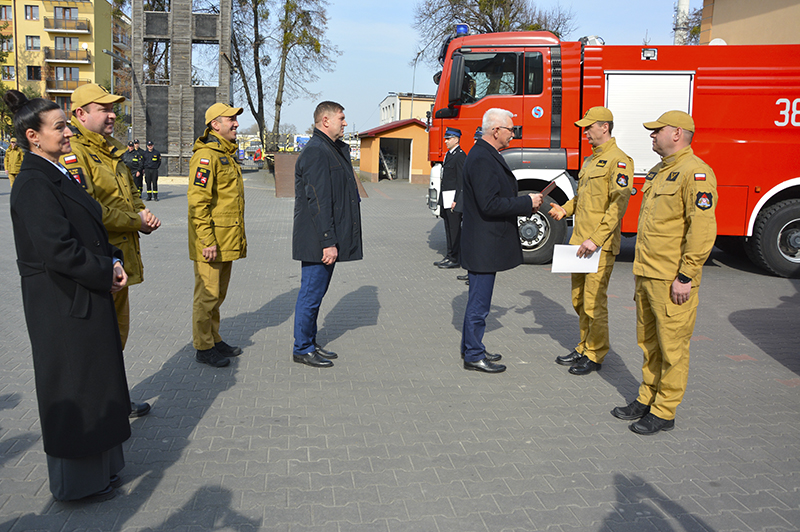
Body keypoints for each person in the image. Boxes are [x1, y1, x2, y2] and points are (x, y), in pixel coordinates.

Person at [6, 89, 131, 503]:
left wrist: (111, 259)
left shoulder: (55, 172)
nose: (67, 133)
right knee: (75, 389)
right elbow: (58, 249)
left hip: (82, 293)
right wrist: (103, 271)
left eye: (66, 125)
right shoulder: (32, 183)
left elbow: (87, 229)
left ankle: (103, 471)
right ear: (32, 137)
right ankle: (78, 485)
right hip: (61, 304)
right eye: (59, 127)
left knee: (95, 387)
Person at [611, 110, 717, 435]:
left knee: (673, 347)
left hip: (672, 280)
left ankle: (665, 410)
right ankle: (646, 398)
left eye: (657, 130)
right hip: (647, 274)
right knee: (649, 343)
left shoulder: (695, 173)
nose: (652, 135)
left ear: (677, 134)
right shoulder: (660, 171)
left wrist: (686, 276)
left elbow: (701, 230)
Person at [60, 83, 159, 418]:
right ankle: (98, 407)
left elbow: (131, 193)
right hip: (97, 261)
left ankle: (113, 397)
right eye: (103, 108)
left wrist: (142, 213)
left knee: (117, 335)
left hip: (119, 260)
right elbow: (89, 210)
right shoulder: (74, 154)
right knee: (99, 341)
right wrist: (135, 220)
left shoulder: (112, 150)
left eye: (112, 108)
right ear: (80, 114)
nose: (112, 114)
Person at [548, 107, 633, 375]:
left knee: (594, 302)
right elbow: (584, 198)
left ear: (604, 128)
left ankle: (596, 353)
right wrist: (565, 209)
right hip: (579, 244)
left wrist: (595, 240)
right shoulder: (590, 161)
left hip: (598, 246)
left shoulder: (619, 162)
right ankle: (583, 345)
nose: (585, 133)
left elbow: (616, 208)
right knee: (578, 299)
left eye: (589, 128)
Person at [460, 108, 542, 373]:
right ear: (496, 131)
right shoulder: (483, 157)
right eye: (511, 130)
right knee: (479, 304)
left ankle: (473, 347)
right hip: (484, 245)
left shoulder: (484, 153)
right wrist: (526, 202)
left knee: (478, 301)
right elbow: (489, 204)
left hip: (483, 242)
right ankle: (473, 354)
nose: (513, 135)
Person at [292, 101, 363, 368]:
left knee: (316, 294)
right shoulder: (317, 152)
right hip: (316, 241)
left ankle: (309, 340)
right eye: (341, 118)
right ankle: (302, 348)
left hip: (322, 240)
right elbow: (318, 201)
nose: (345, 123)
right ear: (325, 120)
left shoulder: (330, 149)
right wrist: (327, 242)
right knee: (310, 294)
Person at [188, 102, 247, 368]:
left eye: (236, 119)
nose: (236, 123)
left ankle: (213, 338)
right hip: (212, 241)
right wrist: (207, 241)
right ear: (215, 125)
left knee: (218, 294)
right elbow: (198, 202)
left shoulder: (225, 153)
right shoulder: (206, 156)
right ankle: (203, 346)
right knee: (207, 295)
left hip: (226, 239)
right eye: (230, 119)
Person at [433, 127, 466, 270]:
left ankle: (455, 258)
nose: (445, 141)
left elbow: (461, 180)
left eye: (449, 138)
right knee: (448, 227)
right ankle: (449, 254)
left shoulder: (460, 155)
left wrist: (457, 200)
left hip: (453, 198)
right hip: (445, 197)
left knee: (454, 229)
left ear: (457, 139)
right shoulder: (449, 154)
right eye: (445, 138)